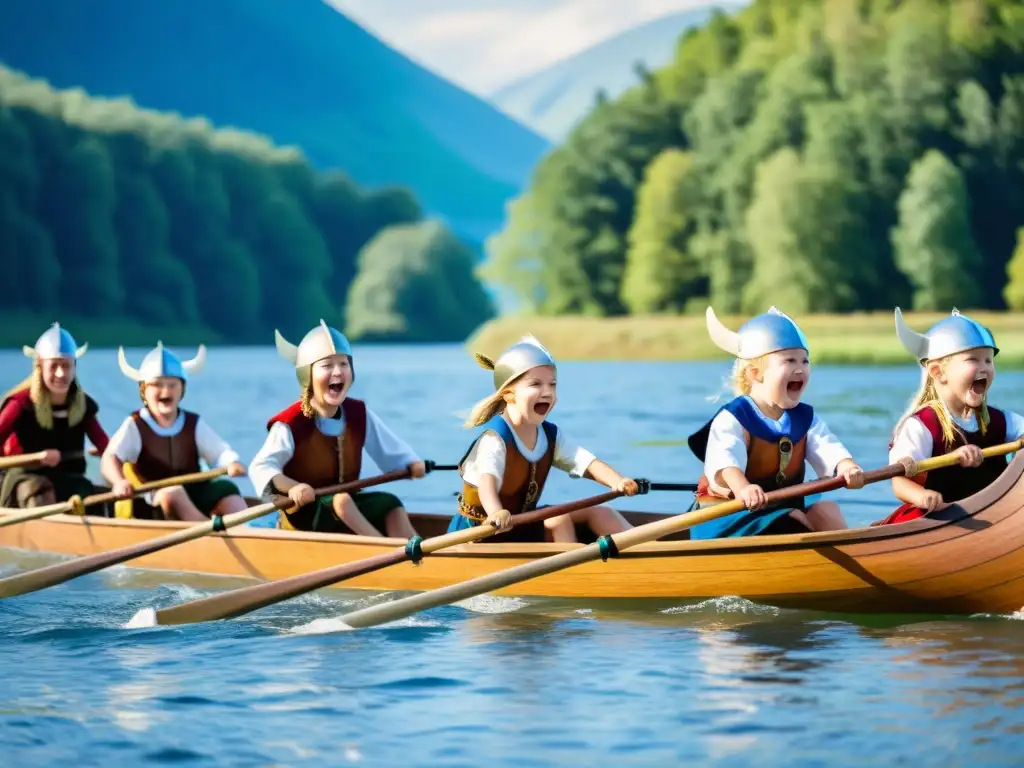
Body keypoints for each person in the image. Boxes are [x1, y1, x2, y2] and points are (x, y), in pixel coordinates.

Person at [687, 307, 864, 539]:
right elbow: (726, 463)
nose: (800, 368)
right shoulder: (733, 417)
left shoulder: (805, 419)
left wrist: (847, 467)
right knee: (792, 519)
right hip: (730, 517)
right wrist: (744, 489)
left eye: (805, 360)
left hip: (780, 508)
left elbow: (828, 447)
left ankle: (857, 551)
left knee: (826, 510)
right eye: (789, 361)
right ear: (754, 373)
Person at [449, 335, 637, 543]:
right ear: (509, 395)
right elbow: (487, 484)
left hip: (519, 526)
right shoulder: (494, 439)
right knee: (558, 519)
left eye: (552, 384)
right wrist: (495, 513)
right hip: (481, 535)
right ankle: (574, 572)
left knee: (601, 512)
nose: (547, 392)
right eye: (536, 384)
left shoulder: (550, 436)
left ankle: (652, 552)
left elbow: (587, 463)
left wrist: (618, 481)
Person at [248, 321, 425, 537]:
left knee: (390, 503)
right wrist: (293, 487)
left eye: (343, 364)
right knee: (342, 501)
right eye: (327, 366)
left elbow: (389, 448)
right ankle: (386, 552)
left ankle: (416, 552)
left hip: (346, 508)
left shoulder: (359, 413)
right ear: (308, 375)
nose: (338, 372)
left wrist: (410, 463)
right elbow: (262, 468)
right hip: (304, 517)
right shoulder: (290, 423)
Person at [874, 308, 1023, 526]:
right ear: (938, 372)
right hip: (934, 519)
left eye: (988, 361)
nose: (984, 368)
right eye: (973, 359)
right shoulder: (921, 426)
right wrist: (923, 497)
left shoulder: (1000, 421)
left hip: (989, 516)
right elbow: (900, 482)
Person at [101, 342, 247, 521]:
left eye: (172, 384)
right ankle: (212, 538)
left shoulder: (193, 423)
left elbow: (220, 453)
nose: (165, 390)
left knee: (227, 489)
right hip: (151, 502)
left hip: (194, 494)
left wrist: (232, 462)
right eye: (157, 385)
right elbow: (110, 458)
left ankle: (245, 534)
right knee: (173, 493)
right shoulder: (135, 425)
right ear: (143, 391)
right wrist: (119, 482)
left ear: (182, 389)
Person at [0, 323, 109, 511]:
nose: (61, 373)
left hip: (68, 479)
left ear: (74, 367)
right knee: (38, 490)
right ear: (40, 367)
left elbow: (106, 447)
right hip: (23, 479)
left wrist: (111, 457)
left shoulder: (83, 406)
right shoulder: (20, 404)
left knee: (88, 495)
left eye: (66, 366)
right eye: (54, 366)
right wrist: (37, 458)